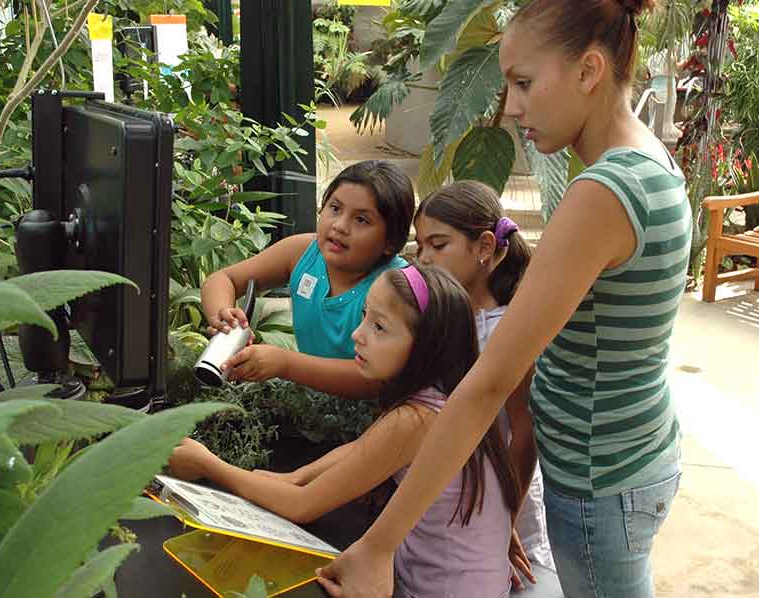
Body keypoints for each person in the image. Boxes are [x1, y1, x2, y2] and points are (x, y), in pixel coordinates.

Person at [318, 1, 690, 597]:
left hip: (600, 479)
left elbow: (489, 384)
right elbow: (572, 361)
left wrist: (379, 546)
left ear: (588, 71)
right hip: (633, 455)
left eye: (523, 82)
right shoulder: (652, 161)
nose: (512, 107)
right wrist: (510, 504)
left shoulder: (603, 193)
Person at [172, 265, 523, 597]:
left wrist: (208, 464)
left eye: (379, 327)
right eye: (365, 315)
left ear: (425, 346)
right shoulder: (443, 399)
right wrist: (292, 478)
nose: (358, 334)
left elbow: (302, 505)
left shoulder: (415, 419)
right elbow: (359, 451)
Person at [414, 181, 560, 597]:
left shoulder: (510, 327)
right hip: (453, 488)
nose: (424, 258)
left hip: (506, 491)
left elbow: (524, 432)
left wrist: (504, 519)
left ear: (483, 246)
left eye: (438, 245)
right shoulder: (442, 313)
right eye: (420, 246)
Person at [200, 160, 414, 398]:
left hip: (377, 414)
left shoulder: (396, 288)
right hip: (311, 403)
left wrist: (286, 364)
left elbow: (378, 380)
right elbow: (223, 279)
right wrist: (225, 320)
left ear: (391, 242)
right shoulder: (302, 252)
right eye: (335, 208)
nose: (340, 226)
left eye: (361, 220)